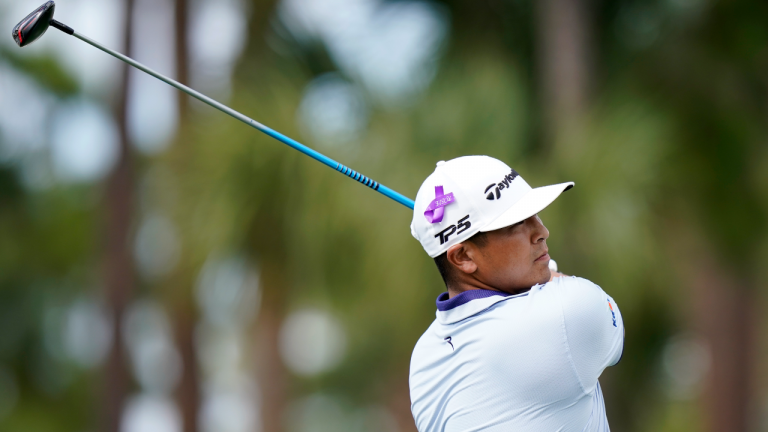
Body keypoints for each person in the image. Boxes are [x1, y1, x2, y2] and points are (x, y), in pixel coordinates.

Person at [409, 156, 624, 432]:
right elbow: (610, 332)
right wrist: (547, 271)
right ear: (463, 256)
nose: (542, 231)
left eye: (534, 214)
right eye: (517, 223)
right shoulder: (567, 314)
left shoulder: (424, 357)